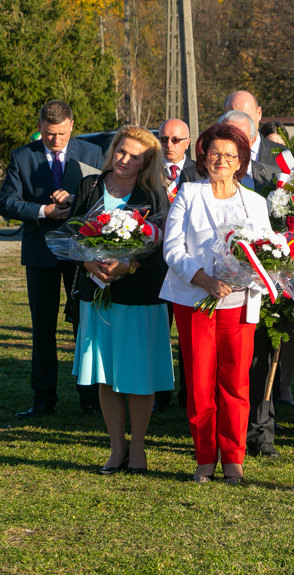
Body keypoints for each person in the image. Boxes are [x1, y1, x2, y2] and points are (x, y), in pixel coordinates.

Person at [160, 123, 272, 484]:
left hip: (239, 305)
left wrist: (248, 275)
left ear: (241, 162)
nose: (221, 160)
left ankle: (233, 458)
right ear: (204, 158)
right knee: (200, 384)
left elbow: (267, 252)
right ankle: (205, 458)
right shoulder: (188, 194)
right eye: (215, 154)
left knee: (237, 384)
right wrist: (203, 279)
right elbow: (172, 248)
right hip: (194, 301)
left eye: (230, 155)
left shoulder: (255, 202)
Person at [66, 126, 173, 474]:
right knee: (105, 373)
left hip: (138, 296)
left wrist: (129, 264)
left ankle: (138, 447)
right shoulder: (90, 186)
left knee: (138, 376)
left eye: (134, 156)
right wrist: (87, 260)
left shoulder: (155, 194)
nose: (124, 159)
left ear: (147, 162)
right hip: (96, 294)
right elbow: (70, 234)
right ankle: (116, 447)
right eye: (120, 151)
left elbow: (161, 246)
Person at [0, 100, 104, 418]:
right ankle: (43, 399)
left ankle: (90, 398)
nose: (55, 140)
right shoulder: (22, 156)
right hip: (40, 253)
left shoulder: (92, 154)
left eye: (60, 133)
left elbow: (103, 199)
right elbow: (6, 202)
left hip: (80, 254)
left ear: (71, 124)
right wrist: (43, 211)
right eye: (48, 134)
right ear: (40, 128)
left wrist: (75, 201)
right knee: (42, 327)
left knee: (84, 326)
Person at [218, 108, 293, 458]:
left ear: (250, 141)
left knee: (263, 359)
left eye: (237, 138)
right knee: (224, 362)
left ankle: (262, 433)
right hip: (216, 287)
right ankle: (222, 430)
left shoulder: (271, 178)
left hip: (261, 286)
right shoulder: (199, 178)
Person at [154, 118, 198, 412]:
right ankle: (159, 395)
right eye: (164, 139)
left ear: (187, 142)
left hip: (187, 266)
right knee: (158, 333)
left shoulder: (199, 173)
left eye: (175, 139)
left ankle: (188, 394)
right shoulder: (147, 171)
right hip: (154, 265)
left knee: (188, 337)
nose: (168, 145)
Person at [224, 90, 280, 167]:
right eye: (233, 116)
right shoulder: (210, 157)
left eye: (246, 116)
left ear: (259, 114)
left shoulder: (282, 156)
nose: (239, 123)